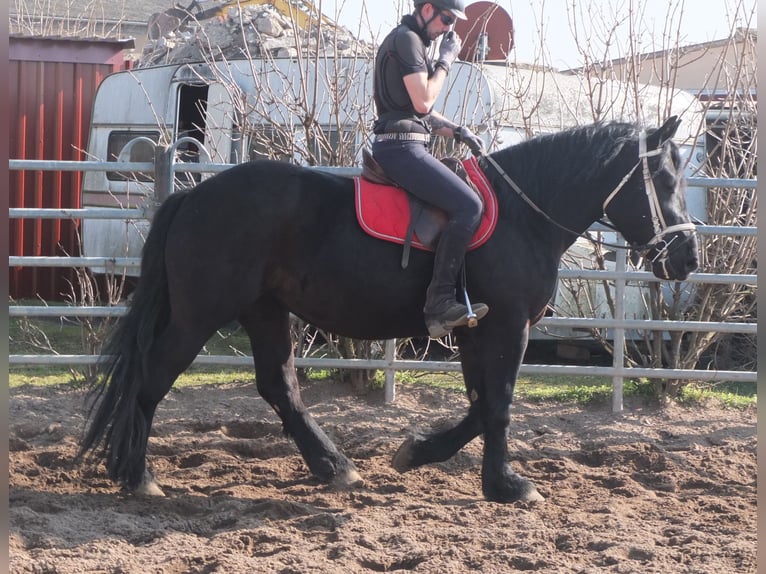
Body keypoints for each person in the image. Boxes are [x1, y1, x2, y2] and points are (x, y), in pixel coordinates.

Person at [371, 0, 489, 338]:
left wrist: (458, 131)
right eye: (446, 19)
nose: (449, 29)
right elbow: (424, 101)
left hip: (408, 141)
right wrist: (446, 61)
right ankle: (438, 304)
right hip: (401, 148)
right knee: (469, 206)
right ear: (426, 10)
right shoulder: (407, 39)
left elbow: (416, 112)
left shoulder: (411, 42)